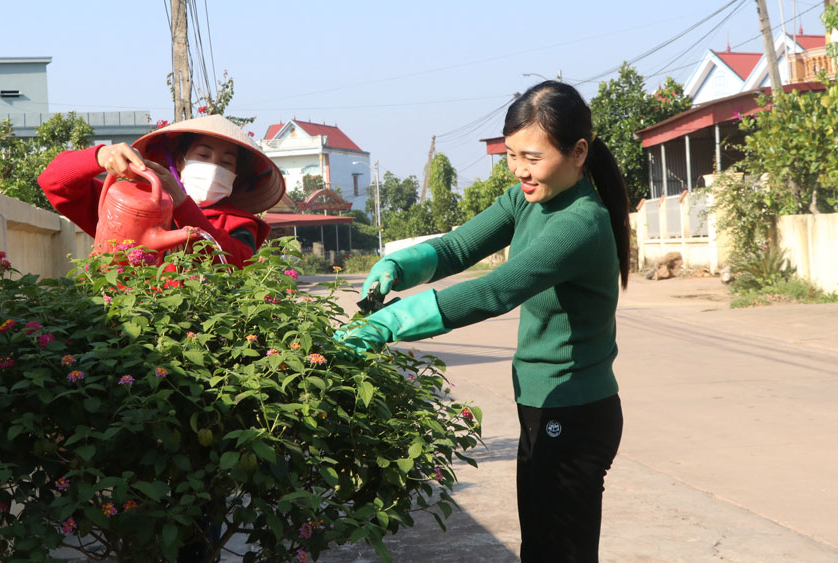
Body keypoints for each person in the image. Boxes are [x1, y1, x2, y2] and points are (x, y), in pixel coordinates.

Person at [334, 81, 630, 562]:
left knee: (560, 553)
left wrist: (389, 324)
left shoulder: (580, 223)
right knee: (540, 546)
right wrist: (398, 267)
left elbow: (495, 290)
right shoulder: (526, 199)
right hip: (540, 405)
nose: (519, 170)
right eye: (511, 155)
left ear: (578, 152)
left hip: (574, 413)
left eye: (531, 158)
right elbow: (456, 247)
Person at [39, 114, 284, 268]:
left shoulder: (239, 224)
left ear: (235, 176)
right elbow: (54, 183)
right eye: (203, 155)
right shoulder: (134, 207)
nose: (213, 167)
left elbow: (233, 264)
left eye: (226, 162)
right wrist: (100, 155)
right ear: (180, 162)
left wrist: (182, 204)